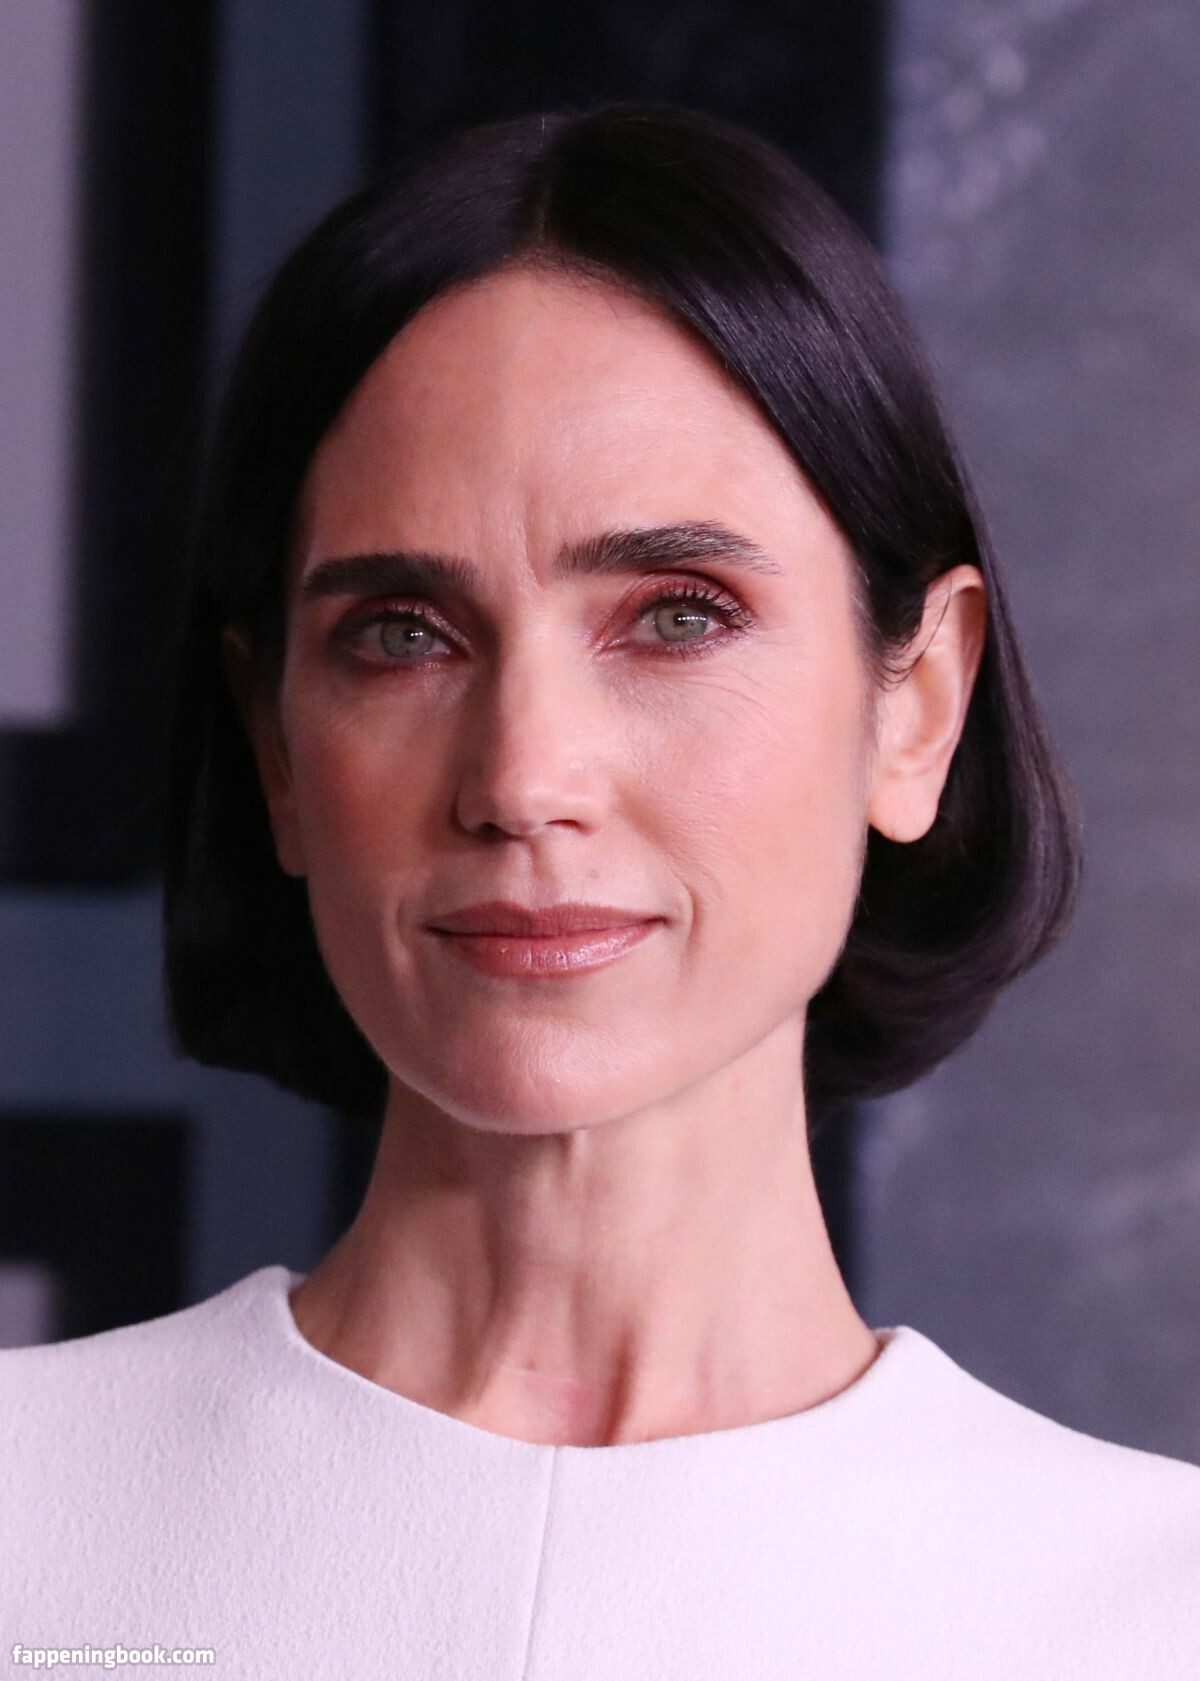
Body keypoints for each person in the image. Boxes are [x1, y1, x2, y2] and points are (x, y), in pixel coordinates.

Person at [3, 101, 1198, 1679]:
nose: (523, 775)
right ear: (276, 745)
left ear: (916, 705)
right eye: (403, 634)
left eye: (678, 615)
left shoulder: (1152, 1613)